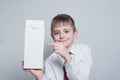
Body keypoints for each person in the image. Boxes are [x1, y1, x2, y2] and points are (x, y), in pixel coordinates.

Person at [22, 14, 93, 80]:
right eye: (56, 33)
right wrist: (39, 76)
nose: (62, 36)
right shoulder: (49, 61)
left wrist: (67, 57)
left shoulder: (84, 50)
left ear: (74, 33)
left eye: (66, 31)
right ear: (52, 36)